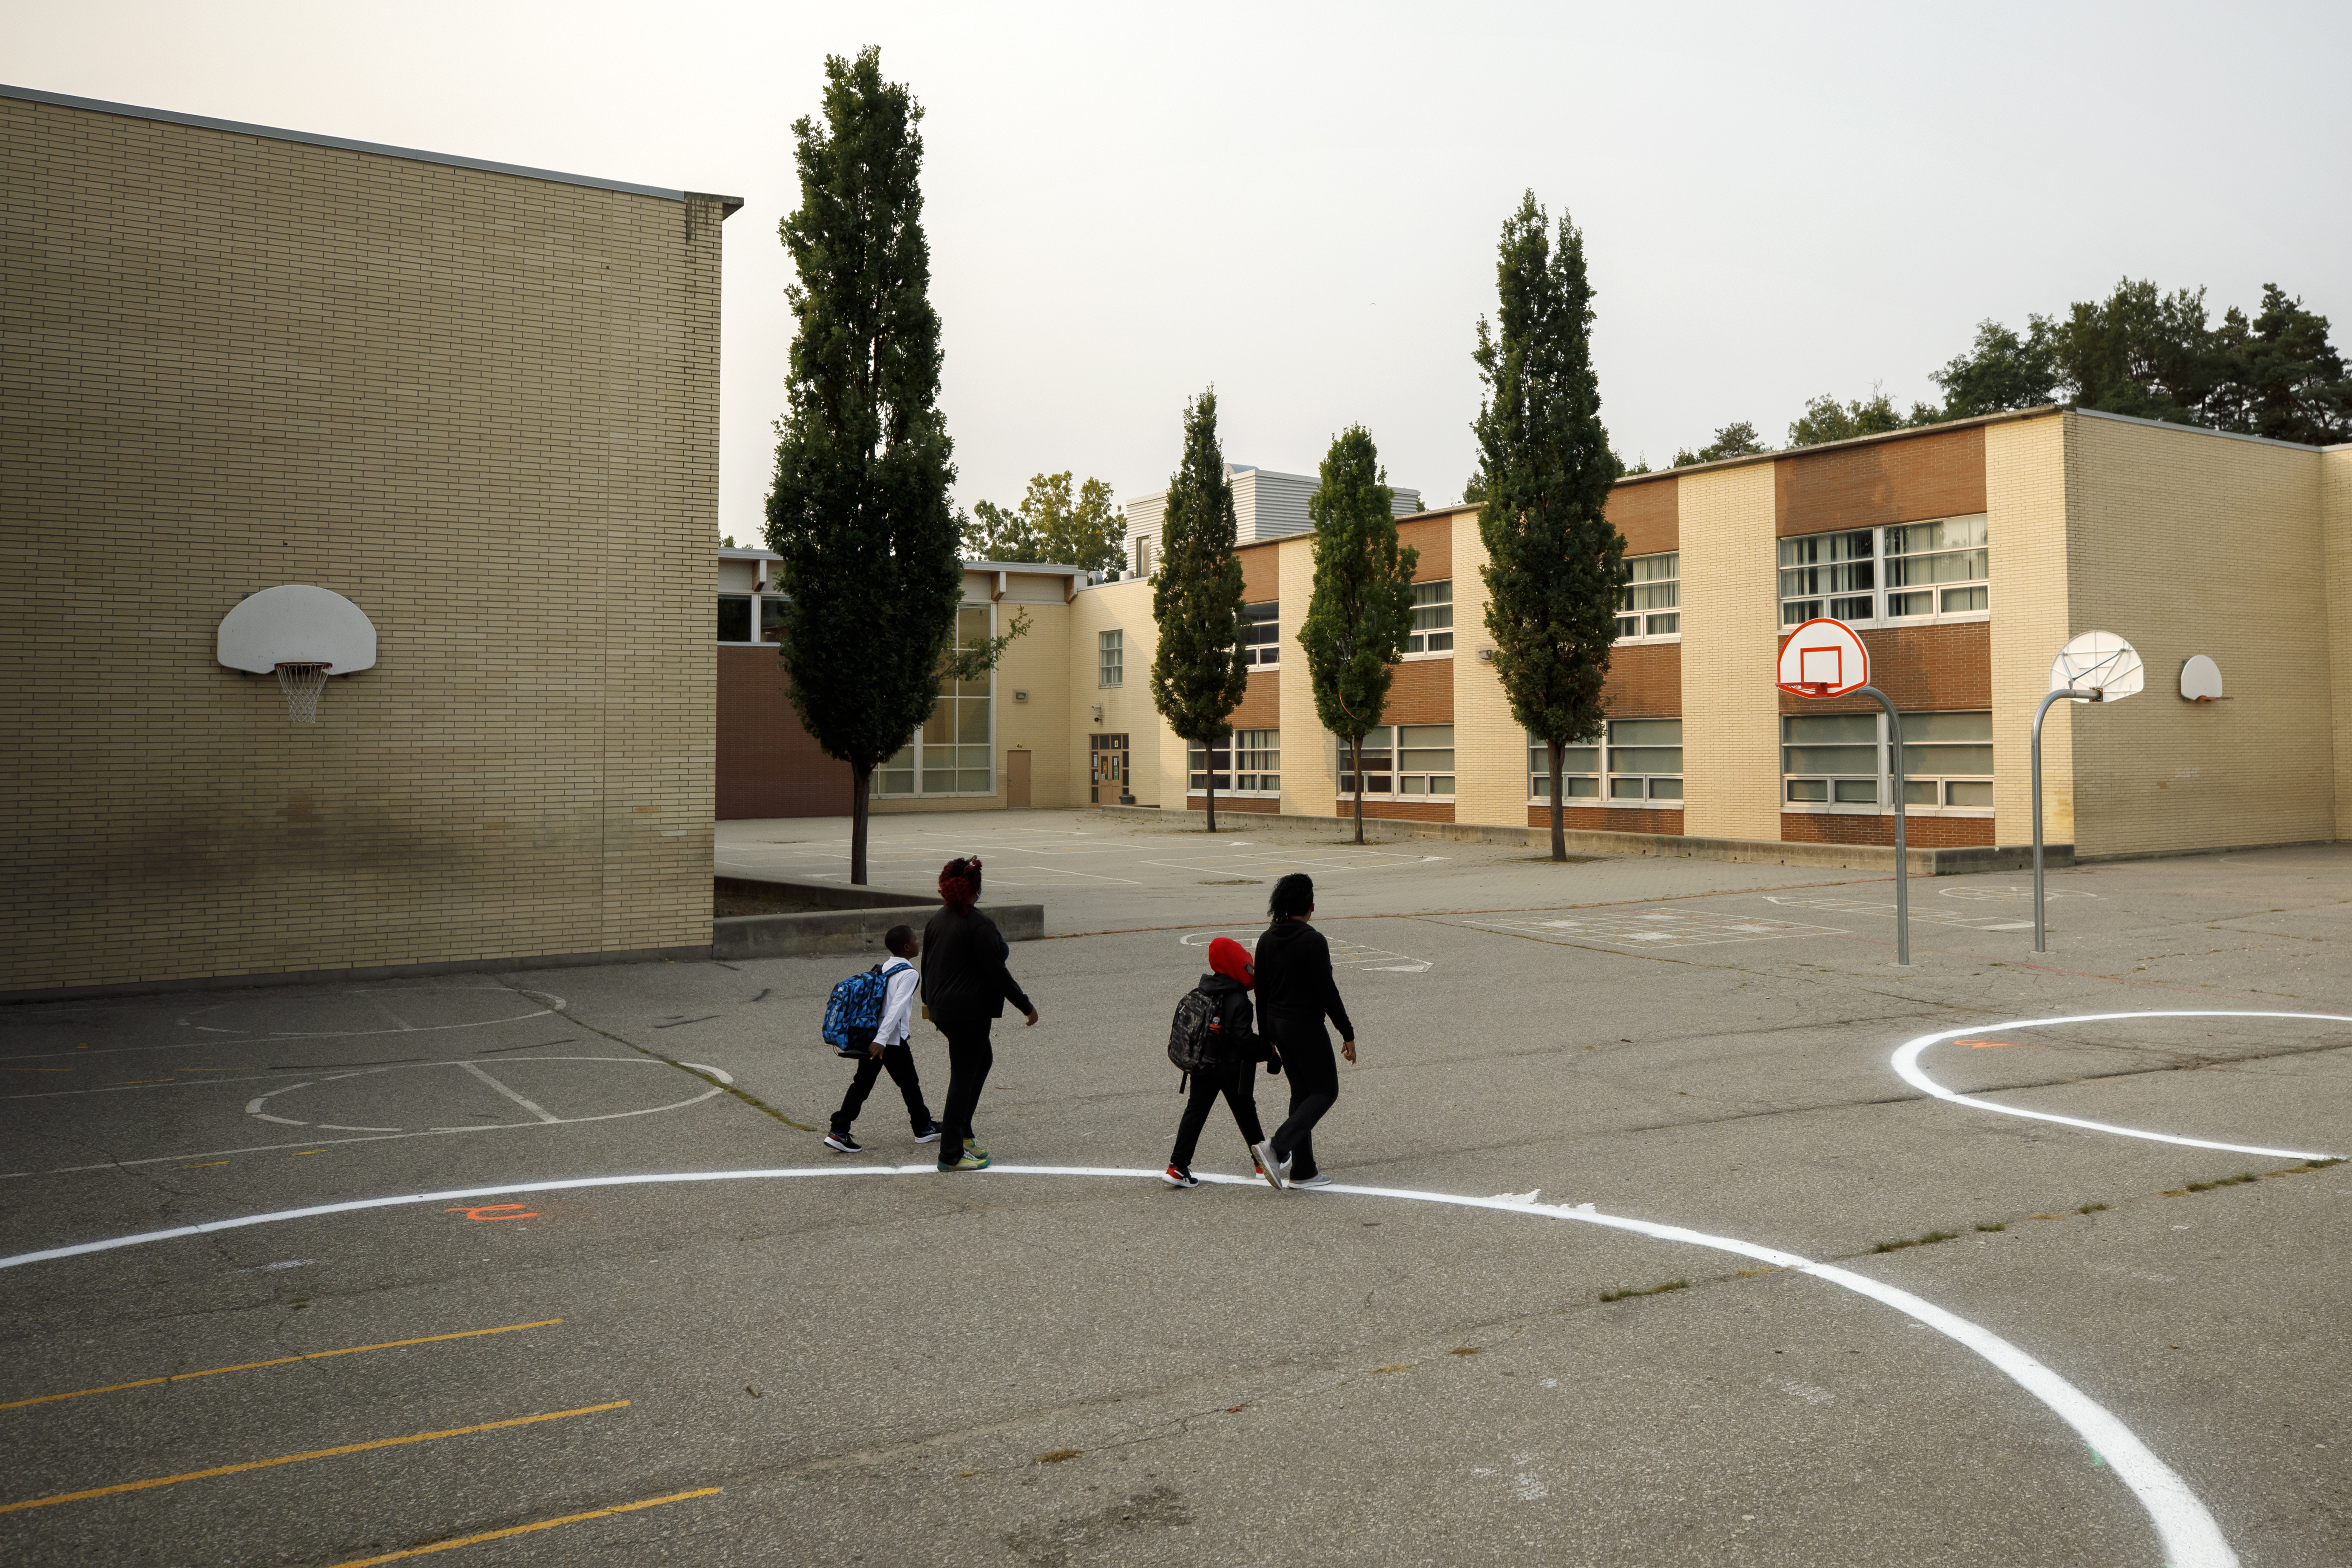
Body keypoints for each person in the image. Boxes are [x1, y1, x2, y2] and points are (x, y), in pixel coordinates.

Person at [921, 856, 1038, 1172]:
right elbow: (997, 972)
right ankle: (951, 1153)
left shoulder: (938, 919)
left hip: (944, 1009)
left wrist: (928, 1004)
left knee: (981, 1061)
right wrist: (1026, 1005)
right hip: (967, 1012)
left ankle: (964, 1133)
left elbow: (927, 964)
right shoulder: (978, 924)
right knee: (962, 1074)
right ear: (975, 888)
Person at [1250, 873, 1356, 1190]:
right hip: (1304, 1025)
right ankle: (1276, 1148)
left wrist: (1266, 1034)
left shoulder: (1267, 938)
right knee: (1325, 1091)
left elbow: (1261, 991)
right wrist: (1347, 1032)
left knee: (1302, 1091)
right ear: (1310, 906)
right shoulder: (1313, 940)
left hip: (1277, 1024)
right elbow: (1327, 993)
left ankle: (1304, 1169)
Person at [1163, 936, 1280, 1189]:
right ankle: (1262, 1164)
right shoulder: (1240, 1001)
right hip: (1231, 1070)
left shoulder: (1204, 990)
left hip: (1203, 1066)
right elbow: (1244, 1040)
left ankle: (1177, 1166)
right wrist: (1269, 1052)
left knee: (1195, 1112)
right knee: (1245, 1111)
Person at [822, 925, 943, 1155]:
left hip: (872, 1035)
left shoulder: (883, 968)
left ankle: (839, 1130)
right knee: (909, 1083)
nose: (918, 943)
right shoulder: (909, 974)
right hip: (889, 1040)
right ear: (907, 947)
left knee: (863, 1084)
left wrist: (877, 1038)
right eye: (915, 940)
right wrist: (883, 1039)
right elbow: (896, 1008)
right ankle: (923, 1128)